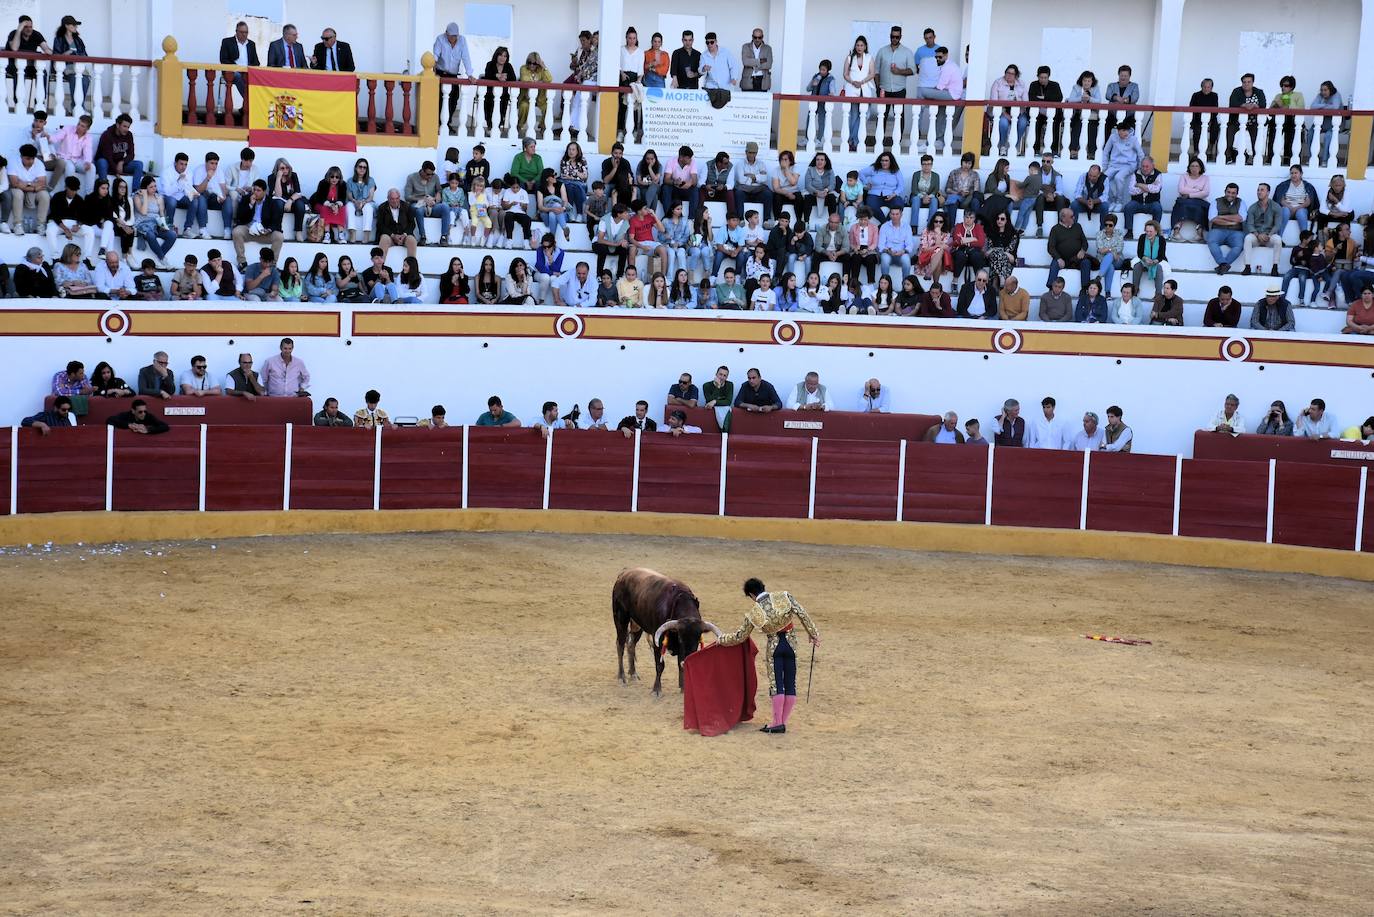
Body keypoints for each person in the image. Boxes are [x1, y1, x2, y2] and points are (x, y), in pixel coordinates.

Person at [714, 578, 820, 734]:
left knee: (777, 684)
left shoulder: (753, 613)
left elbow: (740, 637)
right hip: (791, 644)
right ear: (764, 587)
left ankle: (777, 723)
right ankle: (781, 722)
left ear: (751, 594)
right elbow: (801, 612)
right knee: (790, 683)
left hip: (775, 647)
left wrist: (721, 639)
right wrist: (813, 634)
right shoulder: (783, 596)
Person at [232, 180, 284, 268]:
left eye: (258, 190)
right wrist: (250, 205)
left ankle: (272, 264)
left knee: (279, 236)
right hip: (248, 229)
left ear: (264, 191)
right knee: (236, 232)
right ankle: (242, 262)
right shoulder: (246, 199)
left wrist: (269, 229)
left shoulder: (271, 202)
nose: (255, 192)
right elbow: (240, 217)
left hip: (264, 232)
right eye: (254, 190)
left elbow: (276, 221)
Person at [840, 35, 874, 152]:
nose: (859, 47)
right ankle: (853, 142)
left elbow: (872, 73)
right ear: (855, 46)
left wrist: (862, 82)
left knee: (865, 115)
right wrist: (853, 82)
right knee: (853, 116)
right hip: (852, 89)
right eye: (858, 45)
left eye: (862, 45)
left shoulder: (869, 57)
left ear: (865, 47)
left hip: (865, 89)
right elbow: (845, 74)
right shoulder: (850, 58)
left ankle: (853, 139)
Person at [1045, 207, 1094, 289]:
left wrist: (1082, 251)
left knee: (1086, 263)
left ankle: (1085, 290)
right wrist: (1058, 258)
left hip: (1076, 259)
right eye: (1071, 216)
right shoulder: (1055, 229)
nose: (1074, 218)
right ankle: (1051, 288)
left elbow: (1085, 242)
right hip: (1062, 259)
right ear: (1063, 218)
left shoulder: (1077, 226)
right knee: (1054, 263)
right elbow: (1051, 247)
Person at [404, 161, 450, 247]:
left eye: (432, 174)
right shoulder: (411, 177)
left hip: (432, 204)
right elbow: (407, 196)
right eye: (428, 174)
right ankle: (422, 236)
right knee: (419, 210)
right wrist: (423, 199)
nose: (430, 177)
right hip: (418, 204)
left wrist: (437, 197)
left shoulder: (435, 177)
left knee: (445, 207)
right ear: (422, 171)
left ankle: (444, 236)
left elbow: (439, 190)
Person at [8, 143, 49, 235]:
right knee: (18, 194)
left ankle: (40, 225)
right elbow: (14, 183)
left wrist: (25, 184)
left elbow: (42, 183)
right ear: (21, 156)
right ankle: (18, 224)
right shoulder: (13, 161)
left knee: (45, 196)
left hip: (31, 189)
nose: (31, 161)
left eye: (32, 158)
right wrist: (34, 187)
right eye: (28, 158)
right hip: (19, 189)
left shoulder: (38, 163)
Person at [94, 114, 143, 192]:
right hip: (107, 163)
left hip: (119, 164)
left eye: (128, 127)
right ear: (117, 125)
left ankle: (135, 192)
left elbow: (131, 154)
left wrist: (122, 162)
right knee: (102, 162)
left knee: (139, 164)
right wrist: (116, 171)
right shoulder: (107, 135)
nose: (126, 129)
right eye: (124, 126)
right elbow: (107, 157)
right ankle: (104, 190)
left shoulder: (129, 135)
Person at [1225, 73, 1266, 166]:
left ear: (1252, 82)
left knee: (1256, 138)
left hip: (1254, 121)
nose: (1246, 84)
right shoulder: (1236, 91)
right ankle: (1227, 156)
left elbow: (1263, 104)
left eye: (1249, 82)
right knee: (1229, 134)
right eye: (1244, 82)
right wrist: (1244, 105)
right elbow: (1233, 103)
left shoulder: (1259, 92)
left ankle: (1256, 157)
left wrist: (1255, 106)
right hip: (1236, 120)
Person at [988, 64, 1028, 156]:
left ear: (1016, 75)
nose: (1009, 75)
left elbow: (1026, 101)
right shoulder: (998, 83)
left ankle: (1014, 146)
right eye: (1007, 72)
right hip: (1001, 111)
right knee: (1003, 123)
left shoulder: (1021, 84)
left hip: (1018, 111)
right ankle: (1003, 146)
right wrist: (1004, 113)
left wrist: (1017, 114)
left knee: (1023, 123)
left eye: (1012, 74)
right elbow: (993, 101)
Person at [1102, 124, 1143, 212]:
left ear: (1128, 131)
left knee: (1118, 177)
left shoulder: (1133, 139)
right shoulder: (1113, 137)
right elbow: (1106, 151)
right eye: (1120, 133)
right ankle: (1111, 201)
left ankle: (1119, 202)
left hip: (1128, 165)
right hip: (1114, 164)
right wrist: (1105, 167)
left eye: (1124, 132)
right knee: (1104, 178)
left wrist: (1140, 168)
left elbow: (1140, 154)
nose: (1122, 135)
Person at [1169, 158, 1210, 242]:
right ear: (1189, 167)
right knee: (1181, 206)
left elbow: (1206, 192)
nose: (1194, 168)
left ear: (1200, 168)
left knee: (1200, 210)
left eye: (1197, 166)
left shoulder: (1205, 178)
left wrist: (1189, 194)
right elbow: (1181, 190)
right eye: (1192, 166)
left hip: (1199, 202)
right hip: (1184, 201)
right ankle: (1176, 232)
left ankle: (1199, 234)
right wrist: (1198, 190)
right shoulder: (1184, 176)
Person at [1121, 157, 1163, 239]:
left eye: (1147, 166)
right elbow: (1131, 190)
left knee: (1158, 208)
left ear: (1152, 166)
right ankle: (1129, 231)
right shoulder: (1135, 173)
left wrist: (1139, 185)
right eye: (1143, 166)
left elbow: (1156, 189)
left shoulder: (1158, 174)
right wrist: (1149, 187)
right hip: (1137, 202)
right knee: (1128, 207)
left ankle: (1155, 231)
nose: (1144, 168)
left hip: (1152, 203)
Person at [1272, 165, 1318, 238]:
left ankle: (1305, 239)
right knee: (1285, 210)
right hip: (1287, 207)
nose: (1293, 175)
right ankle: (1279, 237)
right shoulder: (1283, 185)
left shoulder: (1308, 186)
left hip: (1301, 208)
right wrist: (1290, 207)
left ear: (1301, 174)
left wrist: (1296, 208)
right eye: (1292, 173)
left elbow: (1308, 202)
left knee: (1301, 212)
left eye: (1296, 173)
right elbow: (1281, 199)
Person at [1029, 65, 1064, 156]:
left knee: (1055, 125)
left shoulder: (1055, 85)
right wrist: (1046, 101)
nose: (1043, 80)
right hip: (1038, 113)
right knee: (1036, 124)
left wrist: (1044, 98)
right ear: (1038, 77)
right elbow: (1032, 98)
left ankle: (1054, 150)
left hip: (1054, 114)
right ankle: (1035, 149)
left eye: (1045, 77)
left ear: (1048, 77)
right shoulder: (1033, 85)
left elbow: (1059, 98)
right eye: (1041, 77)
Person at [1067, 70, 1102, 161]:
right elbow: (1070, 99)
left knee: (1092, 127)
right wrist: (1081, 98)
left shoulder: (1096, 88)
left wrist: (1089, 98)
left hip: (1092, 115)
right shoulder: (1076, 87)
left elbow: (1098, 100)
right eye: (1085, 80)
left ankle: (1091, 152)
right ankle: (1073, 150)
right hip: (1078, 114)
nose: (1086, 83)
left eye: (1089, 81)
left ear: (1092, 82)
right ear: (1081, 81)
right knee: (1077, 126)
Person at [376, 188, 419, 258]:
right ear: (388, 198)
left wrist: (404, 235)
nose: (395, 201)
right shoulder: (382, 208)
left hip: (404, 236)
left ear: (399, 198)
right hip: (389, 236)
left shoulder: (407, 207)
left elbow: (412, 224)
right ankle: (381, 265)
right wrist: (393, 235)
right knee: (384, 238)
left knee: (412, 240)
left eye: (397, 198)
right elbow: (380, 225)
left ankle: (412, 266)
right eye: (392, 199)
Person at [482, 48, 517, 134]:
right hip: (490, 93)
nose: (502, 58)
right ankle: (490, 125)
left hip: (503, 95)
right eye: (500, 55)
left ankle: (498, 125)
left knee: (503, 101)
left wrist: (504, 77)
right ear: (496, 55)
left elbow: (513, 78)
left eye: (505, 56)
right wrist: (496, 75)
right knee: (488, 100)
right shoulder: (490, 64)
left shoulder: (508, 66)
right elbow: (487, 76)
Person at [1131, 220, 1169, 298]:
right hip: (1145, 259)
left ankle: (1158, 294)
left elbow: (1161, 255)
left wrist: (1154, 261)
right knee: (1137, 266)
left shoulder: (1161, 239)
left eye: (1150, 231)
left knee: (1158, 268)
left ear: (1156, 232)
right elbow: (1140, 253)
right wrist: (1145, 259)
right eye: (1147, 231)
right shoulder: (1142, 237)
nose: (1148, 233)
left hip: (1158, 260)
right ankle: (1135, 289)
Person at [1188, 78, 1220, 161]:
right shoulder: (1196, 95)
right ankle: (1196, 151)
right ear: (1201, 86)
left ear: (1211, 88)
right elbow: (1191, 108)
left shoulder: (1214, 95)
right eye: (1204, 86)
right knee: (1197, 131)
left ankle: (1210, 150)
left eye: (1208, 87)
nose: (1206, 89)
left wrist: (1209, 121)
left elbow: (1215, 110)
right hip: (1198, 119)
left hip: (1211, 119)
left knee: (1215, 129)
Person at [1103, 65, 1140, 135]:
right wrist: (1116, 98)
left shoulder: (1134, 86)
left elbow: (1135, 97)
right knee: (1107, 126)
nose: (1123, 78)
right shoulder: (1111, 85)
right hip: (1112, 114)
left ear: (1129, 76)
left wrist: (1125, 100)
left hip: (1129, 115)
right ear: (1118, 75)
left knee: (1131, 131)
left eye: (1126, 76)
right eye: (1122, 75)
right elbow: (1107, 95)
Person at [740, 28, 772, 92]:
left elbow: (769, 64)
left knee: (762, 101)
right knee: (747, 101)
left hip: (763, 81)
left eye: (759, 37)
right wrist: (761, 60)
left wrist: (754, 65)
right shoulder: (746, 46)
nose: (757, 39)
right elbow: (745, 62)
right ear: (752, 37)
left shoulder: (768, 48)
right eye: (755, 37)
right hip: (748, 80)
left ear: (762, 37)